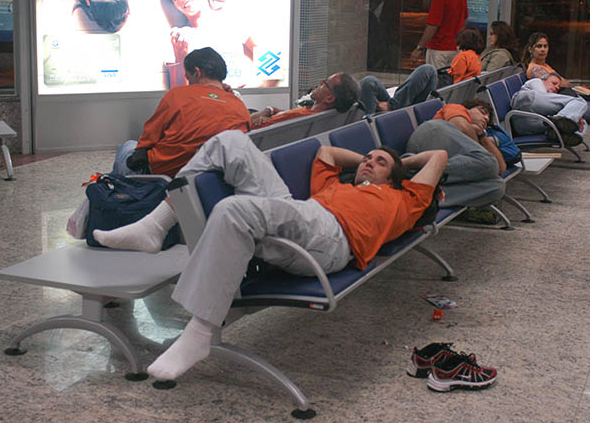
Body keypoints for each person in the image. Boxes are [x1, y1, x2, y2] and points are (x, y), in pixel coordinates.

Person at [94, 130, 447, 381]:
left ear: (396, 179)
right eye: (367, 158)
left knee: (233, 209)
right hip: (303, 215)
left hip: (334, 238)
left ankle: (200, 331)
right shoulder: (338, 184)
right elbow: (327, 153)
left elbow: (439, 157)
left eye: (379, 163)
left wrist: (401, 163)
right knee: (229, 141)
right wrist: (369, 164)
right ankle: (155, 224)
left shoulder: (405, 200)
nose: (369, 162)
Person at [112, 47, 250, 178]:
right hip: (215, 177)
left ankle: (112, 186)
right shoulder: (239, 105)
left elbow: (148, 139)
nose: (188, 83)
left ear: (197, 72)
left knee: (128, 146)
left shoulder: (177, 95)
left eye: (188, 78)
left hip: (164, 175)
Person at [158, 0, 259, 88]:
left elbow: (271, 59)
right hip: (202, 99)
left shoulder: (233, 23)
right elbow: (177, 92)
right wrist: (180, 58)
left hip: (238, 98)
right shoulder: (178, 39)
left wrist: (254, 89)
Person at [512, 73, 590, 173]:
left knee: (587, 117)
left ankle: (563, 124)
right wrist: (575, 114)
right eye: (554, 83)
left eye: (558, 86)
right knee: (579, 103)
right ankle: (564, 120)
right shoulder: (536, 82)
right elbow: (544, 98)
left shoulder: (545, 96)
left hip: (527, 124)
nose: (556, 87)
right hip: (526, 104)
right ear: (543, 80)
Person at [407, 98, 505, 211]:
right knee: (488, 162)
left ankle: (427, 194)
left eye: (487, 119)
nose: (486, 118)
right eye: (482, 112)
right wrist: (480, 149)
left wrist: (482, 135)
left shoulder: (475, 138)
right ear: (468, 108)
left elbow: (500, 168)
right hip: (430, 135)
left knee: (497, 186)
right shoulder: (457, 108)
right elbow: (460, 125)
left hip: (446, 163)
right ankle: (413, 170)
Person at [411, 0, 468, 70]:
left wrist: (419, 47)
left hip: (439, 49)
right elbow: (464, 21)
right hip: (456, 48)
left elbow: (432, 26)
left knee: (437, 78)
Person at [250, 73, 359, 128]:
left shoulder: (298, 116)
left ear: (329, 98)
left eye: (325, 83)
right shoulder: (312, 114)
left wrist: (265, 112)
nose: (320, 82)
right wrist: (270, 110)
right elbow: (284, 114)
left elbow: (248, 126)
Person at [359, 64, 438, 115]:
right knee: (368, 82)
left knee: (429, 70)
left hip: (409, 118)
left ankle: (392, 107)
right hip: (401, 110)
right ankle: (392, 107)